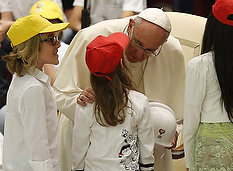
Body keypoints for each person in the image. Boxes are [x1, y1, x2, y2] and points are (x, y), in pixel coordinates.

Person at [54, 8, 185, 171]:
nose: (140, 54)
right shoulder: (92, 37)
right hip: (92, 137)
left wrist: (171, 127)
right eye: (137, 43)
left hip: (147, 138)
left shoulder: (171, 50)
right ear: (130, 26)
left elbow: (176, 112)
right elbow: (61, 93)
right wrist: (82, 102)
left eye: (150, 51)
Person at [72, 32, 155, 171]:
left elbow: (79, 150)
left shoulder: (85, 105)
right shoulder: (140, 102)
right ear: (121, 64)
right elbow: (147, 151)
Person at [183, 0, 233, 170]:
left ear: (213, 26)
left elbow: (191, 122)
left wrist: (189, 164)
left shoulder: (198, 66)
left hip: (210, 150)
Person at [2, 13, 69, 171]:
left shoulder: (23, 78)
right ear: (32, 47)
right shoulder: (34, 88)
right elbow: (39, 153)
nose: (58, 44)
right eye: (51, 39)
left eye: (57, 38)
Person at [29, 0, 70, 85]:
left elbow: (62, 89)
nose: (45, 29)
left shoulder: (68, 51)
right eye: (40, 23)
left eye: (49, 23)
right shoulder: (25, 54)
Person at [69, 0, 147, 32]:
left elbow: (124, 26)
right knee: (67, 33)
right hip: (92, 30)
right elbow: (73, 22)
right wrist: (92, 32)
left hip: (116, 34)